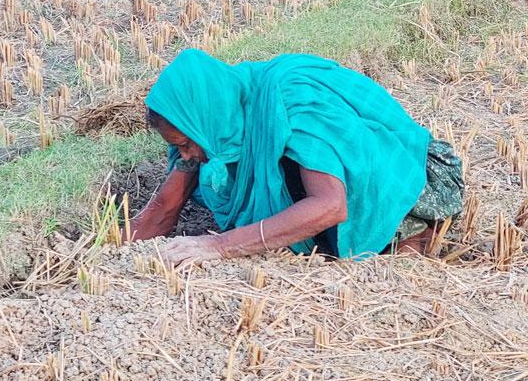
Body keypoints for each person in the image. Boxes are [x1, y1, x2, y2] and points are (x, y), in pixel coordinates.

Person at [128, 49, 464, 265]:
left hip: (401, 180)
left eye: (186, 145)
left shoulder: (290, 101)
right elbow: (164, 211)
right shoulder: (210, 124)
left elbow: (331, 205)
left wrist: (217, 246)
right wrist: (109, 255)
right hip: (332, 187)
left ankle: (410, 236)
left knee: (378, 259)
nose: (186, 155)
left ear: (203, 118)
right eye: (178, 147)